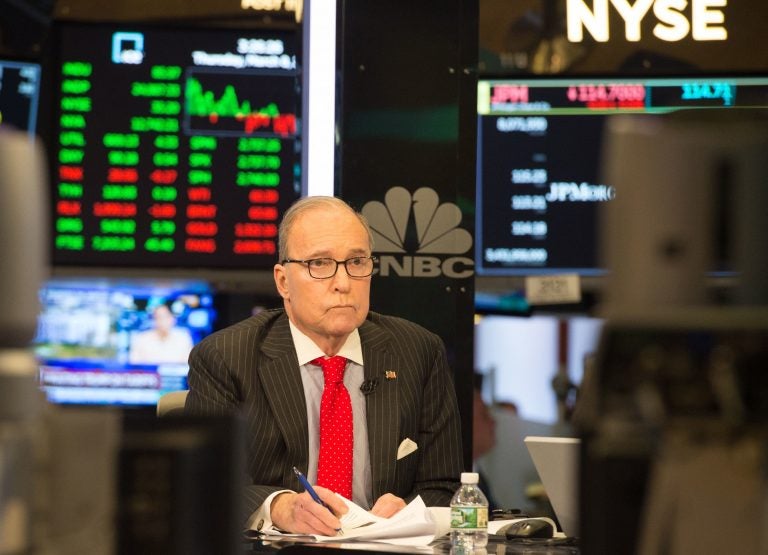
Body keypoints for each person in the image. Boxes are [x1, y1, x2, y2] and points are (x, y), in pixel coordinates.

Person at [185, 196, 463, 535]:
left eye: (357, 262)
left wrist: (410, 511)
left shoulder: (418, 352)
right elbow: (208, 486)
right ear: (283, 281)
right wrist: (280, 507)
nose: (343, 283)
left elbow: (445, 486)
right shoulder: (225, 357)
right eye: (320, 264)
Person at [128, 303, 193, 364]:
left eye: (165, 317)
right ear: (153, 320)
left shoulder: (183, 338)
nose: (162, 321)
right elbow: (134, 366)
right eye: (158, 318)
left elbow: (189, 365)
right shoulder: (141, 339)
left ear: (172, 319)